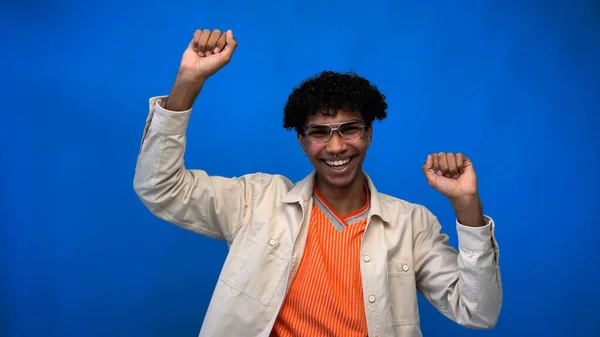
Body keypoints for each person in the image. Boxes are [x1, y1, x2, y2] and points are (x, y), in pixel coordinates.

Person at [133, 28, 503, 337]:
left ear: (369, 134)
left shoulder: (412, 224)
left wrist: (466, 206)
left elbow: (478, 311)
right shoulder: (256, 200)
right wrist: (188, 82)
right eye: (320, 132)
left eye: (349, 129)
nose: (337, 145)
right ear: (302, 141)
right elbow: (160, 188)